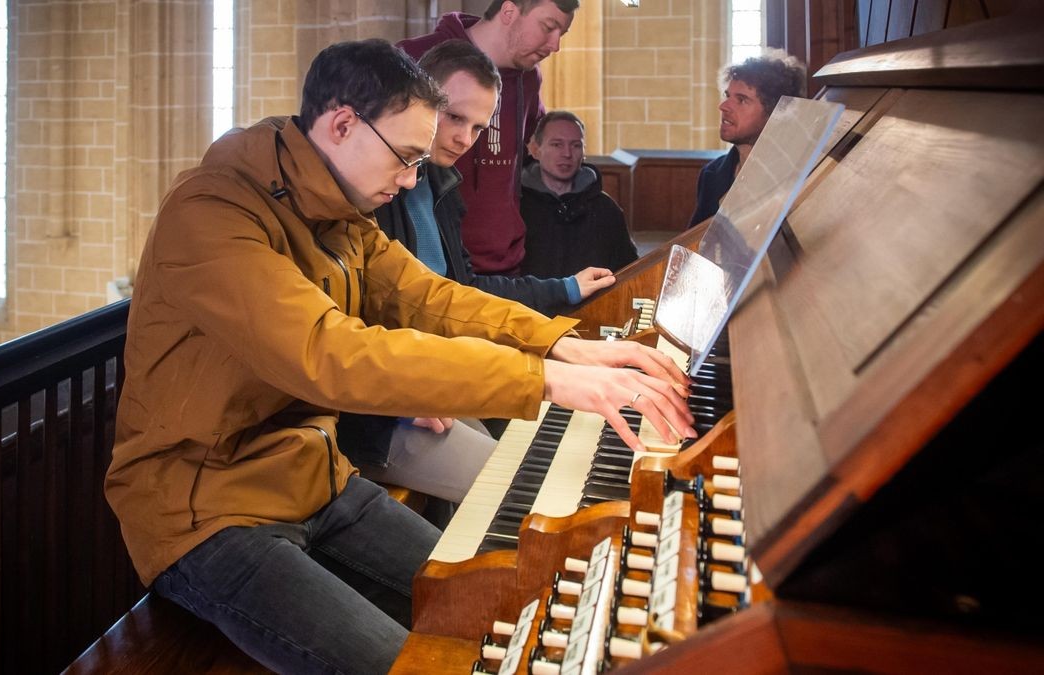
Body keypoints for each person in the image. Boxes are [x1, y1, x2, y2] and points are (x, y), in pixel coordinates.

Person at [105, 39, 695, 675]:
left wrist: (561, 341)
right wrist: (545, 379)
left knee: (498, 608)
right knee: (421, 666)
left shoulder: (336, 206)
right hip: (207, 515)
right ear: (342, 124)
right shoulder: (212, 214)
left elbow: (430, 297)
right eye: (406, 157)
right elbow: (331, 354)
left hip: (315, 480)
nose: (414, 178)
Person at [336, 41, 617, 520]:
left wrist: (561, 305)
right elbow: (347, 332)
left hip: (430, 372)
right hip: (375, 406)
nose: (464, 138)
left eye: (478, 127)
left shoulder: (440, 187)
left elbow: (456, 296)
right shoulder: (373, 190)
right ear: (419, 100)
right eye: (453, 117)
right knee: (516, 492)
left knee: (523, 462)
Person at [399, 0, 580, 276]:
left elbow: (529, 154)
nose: (555, 45)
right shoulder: (412, 57)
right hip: (430, 263)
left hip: (505, 264)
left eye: (562, 34)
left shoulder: (529, 78)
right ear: (509, 11)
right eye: (548, 27)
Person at [688, 49, 807, 228]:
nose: (723, 106)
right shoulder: (711, 174)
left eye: (742, 100)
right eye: (728, 96)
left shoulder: (796, 177)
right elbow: (696, 242)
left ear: (775, 112)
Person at [519, 110, 639, 278]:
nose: (567, 154)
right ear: (536, 150)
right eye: (557, 144)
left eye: (576, 145)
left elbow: (628, 270)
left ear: (584, 153)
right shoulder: (516, 205)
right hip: (527, 303)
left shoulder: (606, 209)